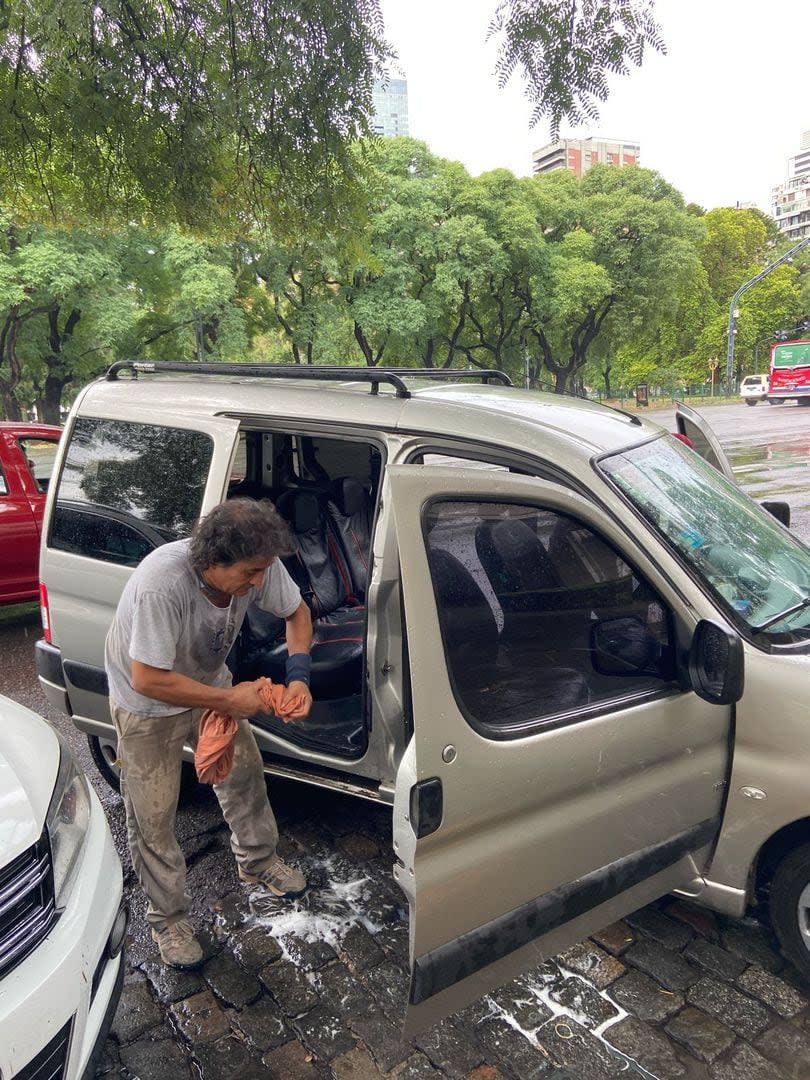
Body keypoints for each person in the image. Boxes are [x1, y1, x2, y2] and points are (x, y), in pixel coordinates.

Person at [104, 498, 313, 970]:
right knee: (153, 815)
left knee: (244, 776)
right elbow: (149, 679)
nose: (259, 582)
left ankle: (259, 862)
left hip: (207, 679)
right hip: (147, 705)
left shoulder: (258, 563)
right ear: (214, 561)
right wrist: (231, 700)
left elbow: (297, 614)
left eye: (264, 571)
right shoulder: (163, 585)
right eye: (251, 572)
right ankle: (169, 921)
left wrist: (298, 676)